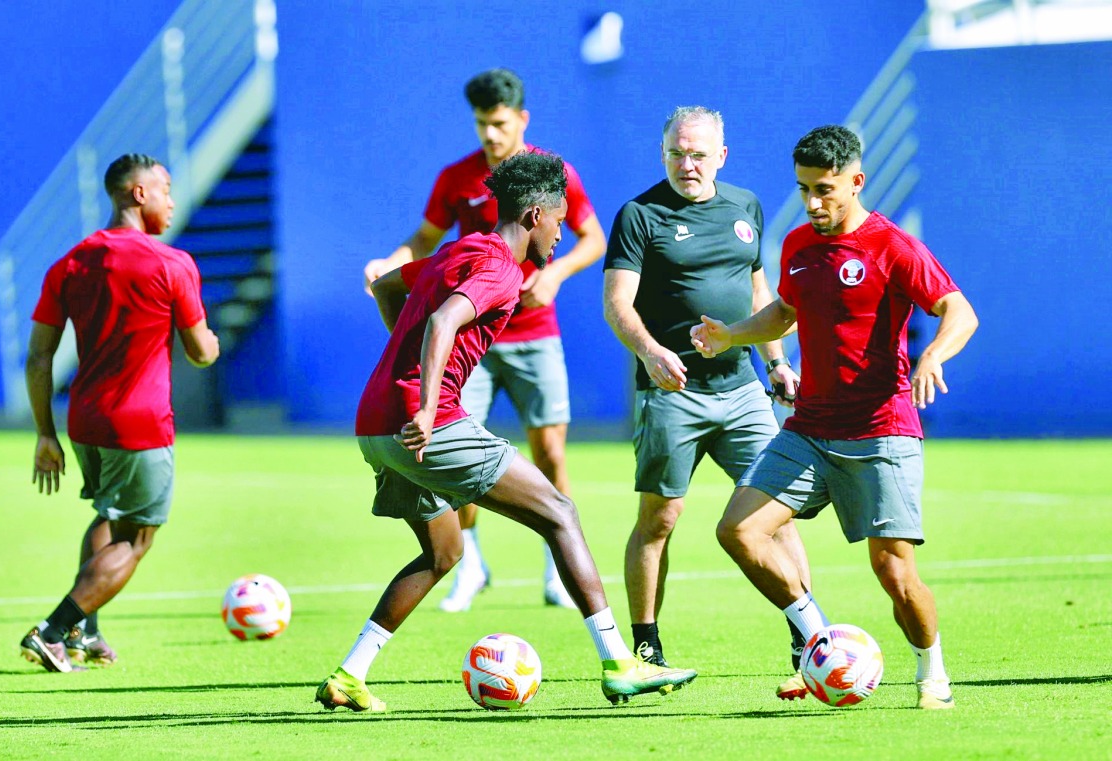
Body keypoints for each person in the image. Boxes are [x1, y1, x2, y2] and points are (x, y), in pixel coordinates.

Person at [316, 152, 696, 712]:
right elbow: (443, 320)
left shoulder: (459, 249)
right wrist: (425, 402)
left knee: (443, 552)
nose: (561, 234)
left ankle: (349, 675)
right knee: (559, 512)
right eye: (559, 221)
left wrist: (406, 368)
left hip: (375, 424)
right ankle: (620, 663)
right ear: (535, 216)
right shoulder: (501, 268)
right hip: (425, 423)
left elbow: (388, 287)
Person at [691, 125, 978, 709]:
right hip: (809, 428)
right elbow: (783, 313)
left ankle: (933, 673)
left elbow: (959, 311)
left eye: (824, 189)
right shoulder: (798, 245)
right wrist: (731, 335)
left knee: (894, 573)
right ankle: (818, 638)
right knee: (739, 531)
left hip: (881, 430)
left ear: (856, 181)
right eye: (803, 189)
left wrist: (932, 355)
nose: (813, 203)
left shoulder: (891, 246)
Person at [363, 68, 607, 612]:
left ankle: (555, 571)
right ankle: (469, 564)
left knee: (550, 452)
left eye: (499, 123)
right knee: (451, 449)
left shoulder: (552, 175)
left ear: (522, 118)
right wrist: (391, 263)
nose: (490, 135)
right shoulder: (458, 177)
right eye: (481, 124)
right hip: (466, 339)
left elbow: (593, 239)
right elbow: (424, 240)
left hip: (535, 334)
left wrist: (554, 274)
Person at [603, 106, 812, 696]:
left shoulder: (745, 205)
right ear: (662, 152)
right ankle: (646, 647)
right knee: (659, 519)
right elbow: (618, 303)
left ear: (721, 155)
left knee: (775, 513)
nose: (687, 164)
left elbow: (757, 288)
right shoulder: (640, 215)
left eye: (698, 154)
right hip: (672, 393)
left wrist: (776, 362)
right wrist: (649, 351)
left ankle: (809, 638)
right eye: (676, 153)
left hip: (742, 389)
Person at [20, 153, 220, 672]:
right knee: (136, 538)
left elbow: (39, 357)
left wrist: (45, 435)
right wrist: (213, 342)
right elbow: (201, 353)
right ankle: (53, 631)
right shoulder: (171, 263)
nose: (171, 200)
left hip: (84, 421)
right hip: (140, 425)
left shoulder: (70, 263)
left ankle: (85, 631)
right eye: (165, 189)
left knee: (108, 516)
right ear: (139, 193)